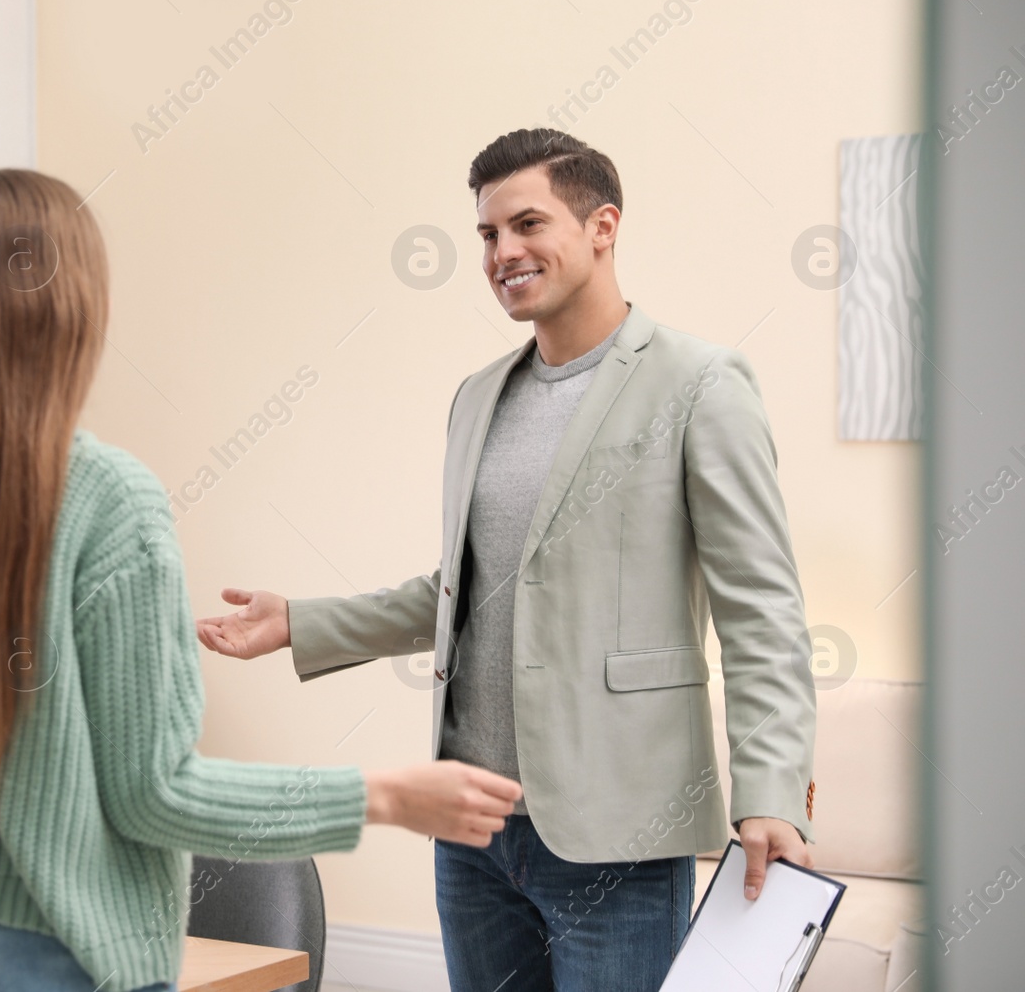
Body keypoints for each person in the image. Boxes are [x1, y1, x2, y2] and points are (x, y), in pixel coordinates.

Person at [0, 168, 523, 992]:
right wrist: (388, 793)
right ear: (72, 306)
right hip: (57, 962)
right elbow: (156, 793)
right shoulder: (106, 498)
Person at [196, 129, 818, 992]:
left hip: (619, 833)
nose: (503, 251)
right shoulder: (480, 394)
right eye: (488, 234)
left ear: (604, 226)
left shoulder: (701, 385)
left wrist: (772, 792)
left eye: (528, 223)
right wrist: (300, 621)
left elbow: (763, 613)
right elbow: (468, 590)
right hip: (473, 832)